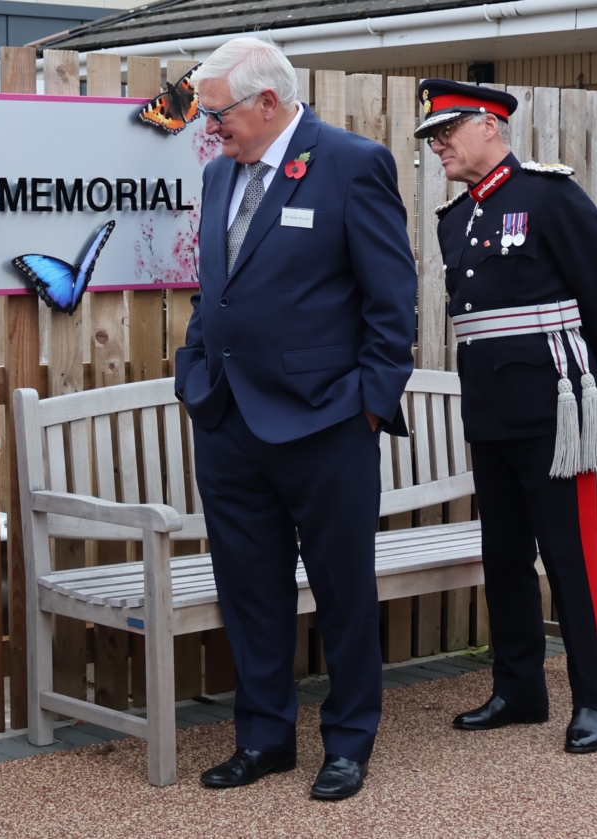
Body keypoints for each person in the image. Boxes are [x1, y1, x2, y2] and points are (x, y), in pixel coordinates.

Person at [175, 39, 417, 800]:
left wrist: (370, 407)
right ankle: (265, 738)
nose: (208, 128)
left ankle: (348, 740)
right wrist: (194, 373)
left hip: (327, 425)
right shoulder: (219, 175)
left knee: (343, 587)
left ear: (268, 103)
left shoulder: (351, 163)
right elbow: (212, 288)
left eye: (216, 113)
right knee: (250, 588)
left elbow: (392, 303)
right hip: (228, 423)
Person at [417, 79, 597, 753]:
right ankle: (518, 689)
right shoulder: (456, 219)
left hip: (552, 412)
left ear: (490, 125)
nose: (438, 144)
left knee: (570, 557)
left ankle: (594, 699)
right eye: (431, 136)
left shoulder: (548, 196)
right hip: (490, 413)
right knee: (503, 555)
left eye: (448, 129)